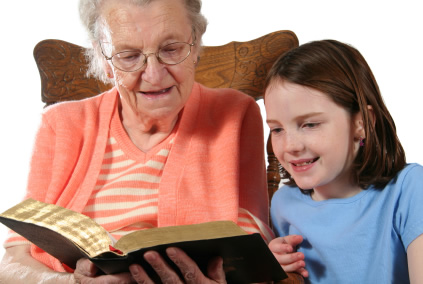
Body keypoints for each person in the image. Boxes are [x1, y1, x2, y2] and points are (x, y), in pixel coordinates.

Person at [0, 0, 272, 283]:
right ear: (103, 58)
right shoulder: (60, 124)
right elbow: (12, 263)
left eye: (171, 50)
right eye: (128, 55)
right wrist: (69, 283)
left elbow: (254, 249)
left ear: (196, 44)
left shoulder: (235, 114)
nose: (153, 75)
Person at [264, 39, 423, 283]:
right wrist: (273, 270)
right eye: (277, 129)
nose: (290, 146)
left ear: (362, 123)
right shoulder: (283, 205)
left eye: (310, 124)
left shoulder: (408, 189)